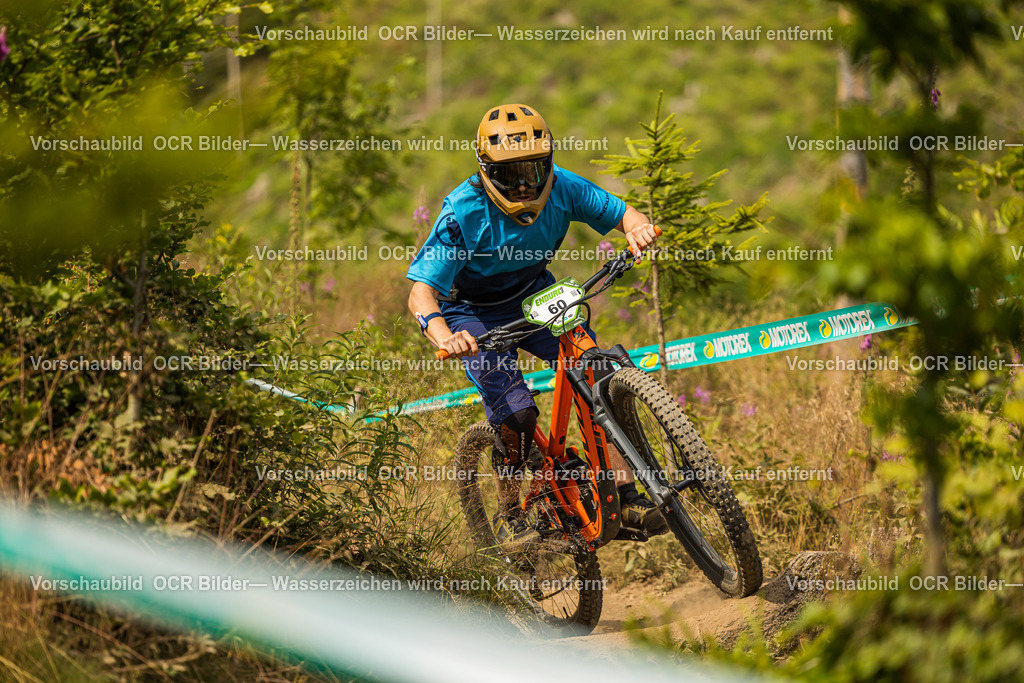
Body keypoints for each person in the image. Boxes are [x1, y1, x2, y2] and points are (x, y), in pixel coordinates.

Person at [407, 103, 667, 548]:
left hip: (533, 296)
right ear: (487, 172)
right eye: (512, 175)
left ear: (549, 163)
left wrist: (637, 229)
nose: (526, 184)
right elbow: (421, 293)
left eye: (535, 169)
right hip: (470, 311)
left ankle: (624, 495)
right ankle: (511, 515)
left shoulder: (564, 186)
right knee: (519, 413)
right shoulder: (462, 212)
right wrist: (446, 335)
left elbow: (625, 214)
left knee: (599, 370)